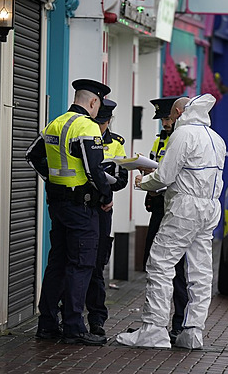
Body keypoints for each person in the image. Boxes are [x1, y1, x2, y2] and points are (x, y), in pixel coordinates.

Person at [116, 94, 226, 350]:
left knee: (160, 263)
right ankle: (192, 331)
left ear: (178, 112)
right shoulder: (216, 139)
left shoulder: (183, 134)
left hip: (185, 207)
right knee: (200, 270)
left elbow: (165, 175)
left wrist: (143, 183)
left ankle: (153, 329)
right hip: (210, 207)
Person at [26, 78, 113, 346]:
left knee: (57, 263)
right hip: (81, 207)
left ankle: (48, 325)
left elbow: (32, 155)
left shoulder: (56, 122)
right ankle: (74, 327)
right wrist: (105, 196)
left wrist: (51, 180)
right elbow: (94, 169)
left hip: (58, 203)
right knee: (81, 264)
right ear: (93, 101)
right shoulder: (87, 126)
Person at [142, 95, 188, 343]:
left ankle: (179, 322)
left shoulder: (182, 140)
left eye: (167, 117)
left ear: (177, 115)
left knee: (178, 268)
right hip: (159, 207)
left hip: (176, 209)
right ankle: (155, 323)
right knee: (154, 263)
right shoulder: (161, 139)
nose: (164, 123)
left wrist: (154, 177)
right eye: (161, 118)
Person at [85, 99, 128, 337]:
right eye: (96, 121)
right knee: (78, 262)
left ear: (109, 121)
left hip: (103, 210)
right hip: (82, 205)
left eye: (103, 122)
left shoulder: (116, 142)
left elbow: (121, 180)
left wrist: (106, 186)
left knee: (97, 265)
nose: (99, 126)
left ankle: (97, 319)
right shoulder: (83, 134)